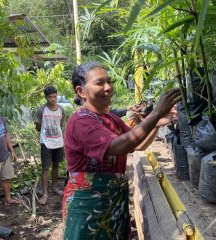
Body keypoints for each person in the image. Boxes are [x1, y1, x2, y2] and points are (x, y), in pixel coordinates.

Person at [62, 62, 180, 239]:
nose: (108, 87)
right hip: (87, 204)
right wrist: (155, 113)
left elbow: (137, 144)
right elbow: (118, 146)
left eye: (109, 81)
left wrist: (157, 123)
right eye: (99, 83)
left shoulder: (109, 118)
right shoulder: (81, 121)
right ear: (81, 91)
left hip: (111, 201)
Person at [35, 86, 65, 205]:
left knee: (56, 165)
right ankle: (45, 193)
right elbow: (38, 126)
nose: (52, 99)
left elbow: (61, 123)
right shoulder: (42, 110)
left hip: (58, 142)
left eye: (54, 96)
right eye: (50, 97)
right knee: (45, 168)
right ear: (46, 97)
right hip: (46, 143)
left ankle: (54, 187)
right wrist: (46, 133)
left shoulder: (61, 109)